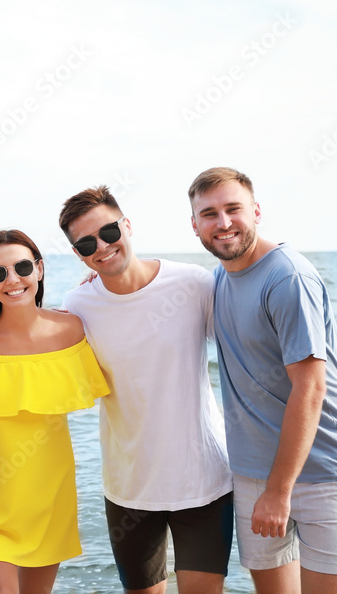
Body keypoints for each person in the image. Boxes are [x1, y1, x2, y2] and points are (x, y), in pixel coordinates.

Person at [188, 167, 337, 594]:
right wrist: (99, 275)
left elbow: (311, 388)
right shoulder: (218, 280)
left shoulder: (287, 276)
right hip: (252, 471)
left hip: (324, 470)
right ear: (194, 224)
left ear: (256, 211)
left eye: (234, 209)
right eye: (209, 214)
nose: (224, 223)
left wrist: (278, 491)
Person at [58, 186, 234, 594]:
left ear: (127, 225)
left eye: (108, 232)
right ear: (79, 255)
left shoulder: (193, 283)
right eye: (87, 244)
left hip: (204, 480)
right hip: (128, 487)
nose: (102, 247)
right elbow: (28, 344)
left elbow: (248, 341)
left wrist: (327, 370)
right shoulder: (77, 304)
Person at [0, 229, 109, 594]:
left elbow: (125, 344)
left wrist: (101, 283)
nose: (12, 280)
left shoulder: (71, 330)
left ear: (40, 269)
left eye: (22, 267)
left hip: (49, 496)